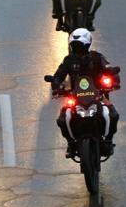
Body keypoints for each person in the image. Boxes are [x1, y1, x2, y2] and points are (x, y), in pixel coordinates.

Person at [50, 29, 120, 157]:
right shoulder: (68, 60)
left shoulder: (97, 57)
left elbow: (108, 68)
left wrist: (113, 78)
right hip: (74, 97)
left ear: (87, 45)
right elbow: (58, 76)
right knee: (62, 119)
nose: (77, 48)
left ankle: (108, 141)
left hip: (98, 95)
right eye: (75, 45)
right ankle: (71, 144)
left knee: (113, 115)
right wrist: (56, 85)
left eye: (80, 45)